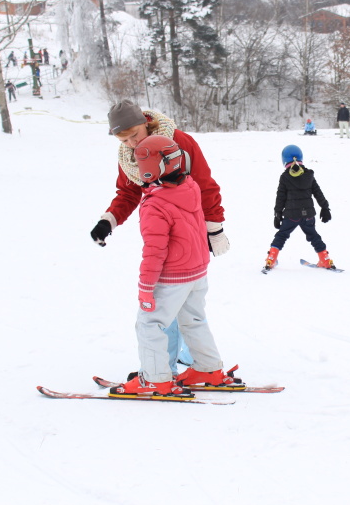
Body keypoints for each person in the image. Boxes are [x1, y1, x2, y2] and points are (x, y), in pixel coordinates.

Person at [91, 100, 232, 378]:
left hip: (191, 232)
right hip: (165, 230)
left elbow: (205, 186)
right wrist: (109, 220)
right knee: (181, 306)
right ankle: (173, 367)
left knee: (167, 306)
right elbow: (128, 193)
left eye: (134, 135)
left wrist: (214, 229)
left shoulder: (180, 142)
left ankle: (163, 373)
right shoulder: (129, 156)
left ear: (145, 121)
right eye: (123, 139)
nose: (131, 143)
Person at [108, 135, 241, 397]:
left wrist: (146, 287)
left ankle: (156, 379)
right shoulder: (189, 187)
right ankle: (208, 368)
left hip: (172, 277)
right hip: (197, 272)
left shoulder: (156, 204)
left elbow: (155, 251)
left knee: (149, 323)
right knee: (193, 319)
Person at [264, 145, 336, 271]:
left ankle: (271, 259)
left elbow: (280, 197)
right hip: (308, 215)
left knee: (281, 235)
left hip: (291, 216)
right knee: (313, 236)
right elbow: (318, 193)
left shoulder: (285, 177)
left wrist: (277, 214)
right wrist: (325, 207)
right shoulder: (309, 175)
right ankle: (325, 260)